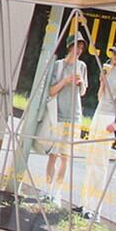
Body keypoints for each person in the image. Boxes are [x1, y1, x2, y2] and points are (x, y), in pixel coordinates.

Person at [81, 38, 116, 216]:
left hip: (109, 119)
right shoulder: (110, 71)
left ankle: (94, 209)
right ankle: (85, 204)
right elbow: (101, 98)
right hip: (98, 115)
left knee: (100, 163)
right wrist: (102, 82)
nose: (114, 55)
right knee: (90, 159)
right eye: (113, 52)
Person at [42, 33, 88, 206]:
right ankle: (46, 190)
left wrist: (81, 83)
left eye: (81, 47)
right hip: (58, 116)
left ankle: (56, 193)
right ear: (69, 46)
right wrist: (65, 81)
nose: (79, 50)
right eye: (77, 46)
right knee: (53, 156)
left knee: (65, 157)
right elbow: (51, 91)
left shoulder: (82, 66)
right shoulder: (59, 65)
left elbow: (83, 92)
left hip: (75, 117)